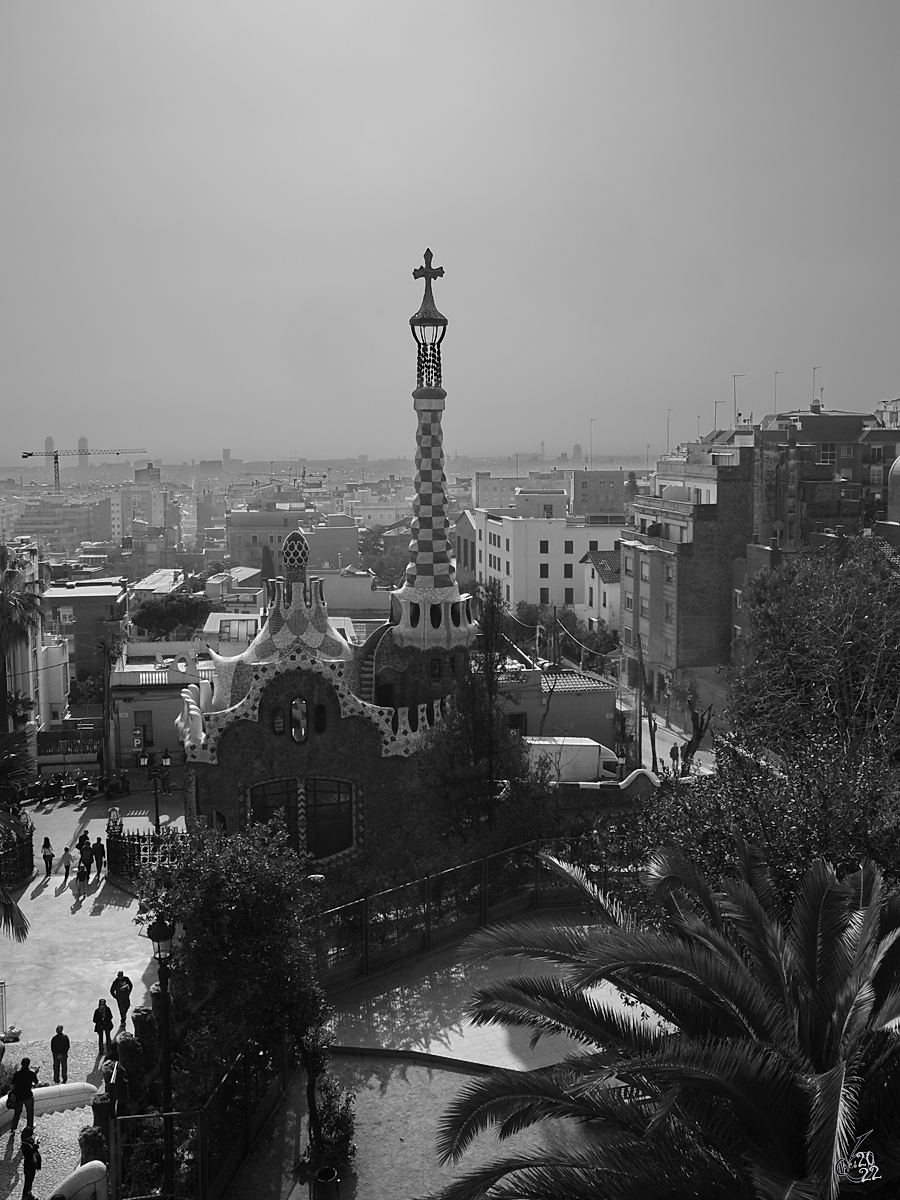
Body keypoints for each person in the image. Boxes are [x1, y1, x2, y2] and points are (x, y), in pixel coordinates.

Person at [9, 1058, 38, 1132]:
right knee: (30, 1111)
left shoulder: (17, 1074)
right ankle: (29, 1126)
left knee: (17, 1112)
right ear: (29, 1065)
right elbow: (37, 1084)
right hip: (28, 1095)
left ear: (21, 1064)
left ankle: (13, 1127)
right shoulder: (31, 1074)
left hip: (18, 1096)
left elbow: (11, 1086)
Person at [20, 1127, 41, 1200]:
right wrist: (35, 1141)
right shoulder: (25, 1146)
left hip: (33, 1165)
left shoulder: (28, 1143)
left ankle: (29, 1193)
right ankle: (25, 1196)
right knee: (28, 1182)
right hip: (29, 1167)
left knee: (30, 1181)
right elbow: (33, 1150)